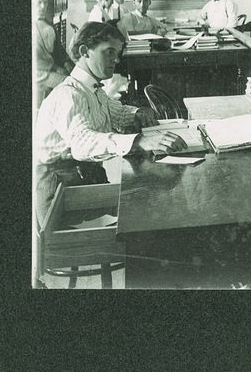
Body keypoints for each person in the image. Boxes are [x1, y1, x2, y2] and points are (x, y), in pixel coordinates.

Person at [33, 22, 187, 224]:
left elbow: (115, 111)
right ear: (84, 51)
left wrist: (137, 113)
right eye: (109, 52)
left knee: (158, 198)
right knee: (156, 210)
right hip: (60, 194)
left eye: (118, 53)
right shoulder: (67, 94)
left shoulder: (91, 89)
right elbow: (82, 143)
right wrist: (140, 141)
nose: (116, 60)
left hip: (85, 179)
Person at [34, 0, 73, 104]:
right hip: (40, 72)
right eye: (39, 3)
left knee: (74, 78)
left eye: (45, 3)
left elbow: (59, 50)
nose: (43, 6)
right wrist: (57, 68)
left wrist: (67, 63)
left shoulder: (48, 24)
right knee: (70, 84)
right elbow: (37, 59)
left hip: (50, 69)